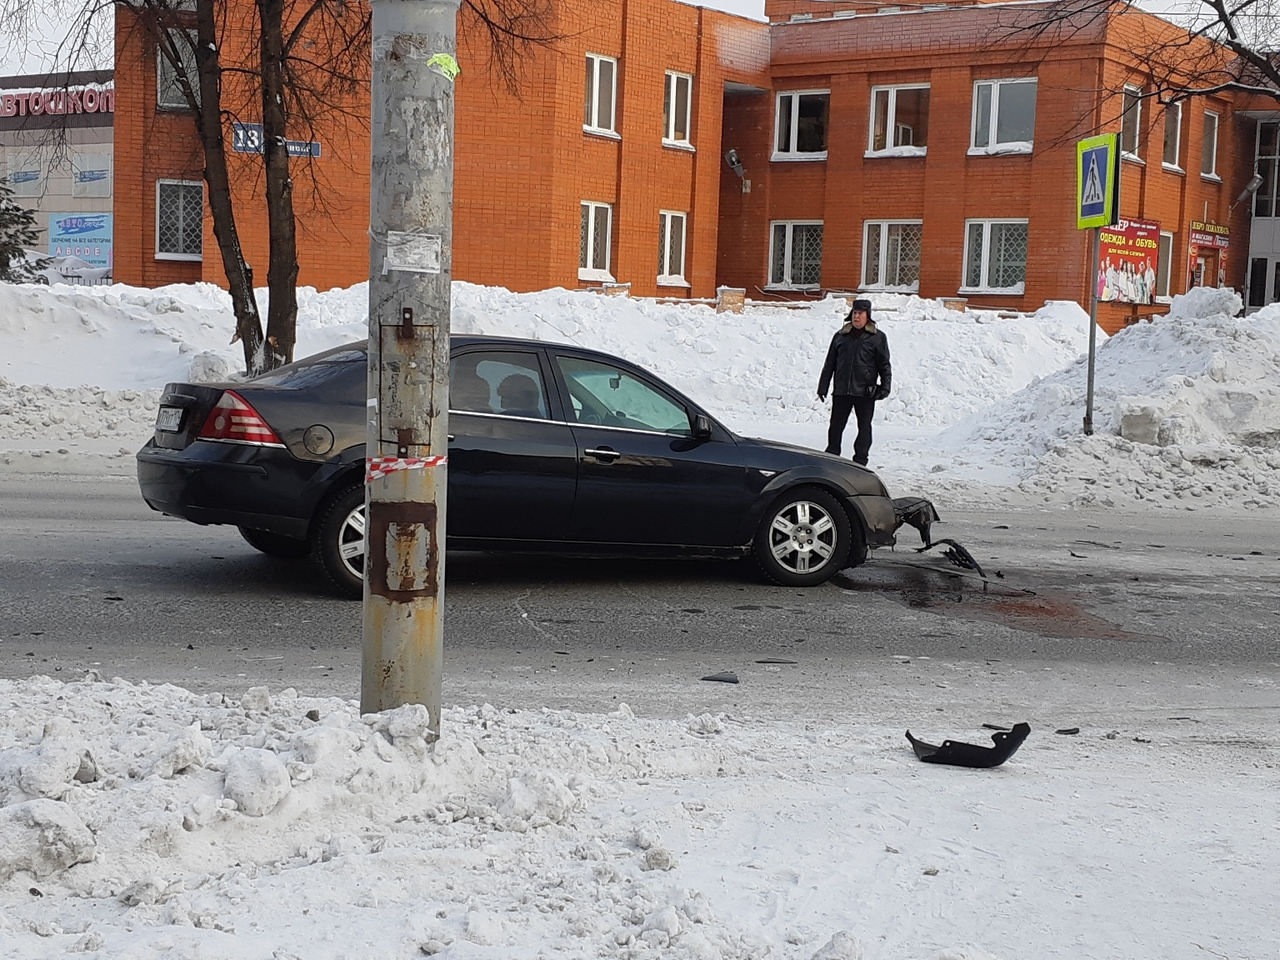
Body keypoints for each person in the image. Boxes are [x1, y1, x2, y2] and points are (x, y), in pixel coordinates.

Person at [816, 298, 891, 466]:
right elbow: (830, 363)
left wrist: (884, 388)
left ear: (868, 316)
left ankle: (860, 461)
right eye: (855, 313)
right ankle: (832, 457)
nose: (856, 317)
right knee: (835, 426)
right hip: (842, 390)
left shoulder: (877, 338)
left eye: (860, 314)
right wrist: (823, 386)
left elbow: (884, 365)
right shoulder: (840, 336)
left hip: (865, 392)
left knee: (864, 427)